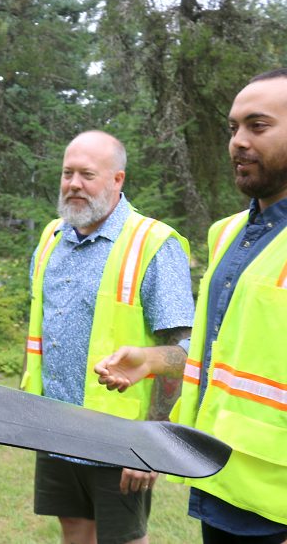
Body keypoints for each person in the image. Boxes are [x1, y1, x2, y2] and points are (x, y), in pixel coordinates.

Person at [95, 69, 287, 543]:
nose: (238, 142)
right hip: (220, 482)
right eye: (233, 128)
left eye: (258, 126)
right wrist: (154, 359)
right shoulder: (227, 234)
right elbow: (222, 351)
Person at [20, 130, 196, 544]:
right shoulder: (51, 238)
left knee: (124, 539)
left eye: (87, 175)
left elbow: (183, 352)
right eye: (67, 173)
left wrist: (152, 439)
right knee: (74, 531)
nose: (74, 184)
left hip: (121, 436)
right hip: (54, 426)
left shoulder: (153, 244)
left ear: (118, 180)